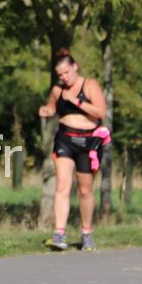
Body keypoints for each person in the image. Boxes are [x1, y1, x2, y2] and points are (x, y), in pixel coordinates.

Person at [38, 49, 107, 252]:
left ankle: (86, 233)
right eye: (60, 75)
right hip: (65, 139)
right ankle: (59, 234)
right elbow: (52, 107)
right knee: (62, 185)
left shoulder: (90, 85)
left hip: (88, 142)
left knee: (85, 190)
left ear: (75, 66)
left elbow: (101, 112)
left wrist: (76, 100)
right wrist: (46, 111)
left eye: (67, 72)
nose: (64, 77)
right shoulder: (57, 90)